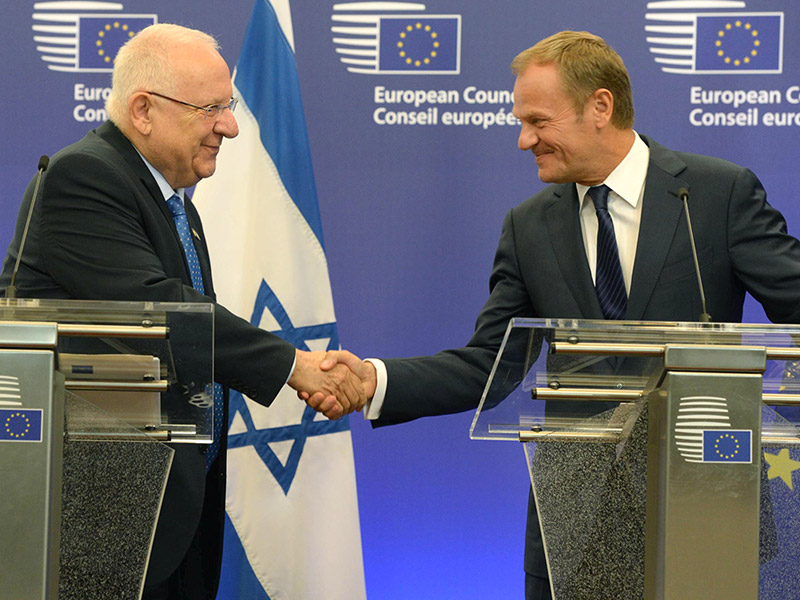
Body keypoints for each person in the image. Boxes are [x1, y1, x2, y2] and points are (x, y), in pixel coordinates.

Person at [316, 30, 800, 599]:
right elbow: (487, 367)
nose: (524, 140)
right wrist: (375, 380)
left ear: (601, 106)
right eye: (521, 122)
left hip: (704, 500)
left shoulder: (717, 195)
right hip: (574, 522)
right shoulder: (529, 226)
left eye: (538, 121)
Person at [0, 24, 365, 600]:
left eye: (231, 106)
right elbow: (163, 311)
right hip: (103, 517)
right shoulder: (84, 177)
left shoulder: (176, 205)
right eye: (212, 108)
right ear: (143, 110)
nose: (231, 126)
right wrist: (294, 366)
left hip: (173, 503)